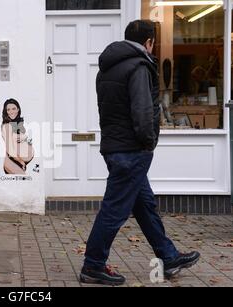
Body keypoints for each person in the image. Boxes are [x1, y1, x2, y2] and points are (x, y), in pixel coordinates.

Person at [80, 20, 200, 286]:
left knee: (144, 205)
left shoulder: (108, 68)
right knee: (114, 210)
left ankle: (168, 257)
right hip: (132, 150)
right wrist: (149, 143)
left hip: (115, 147)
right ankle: (93, 265)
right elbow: (143, 111)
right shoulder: (139, 66)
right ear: (149, 42)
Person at [1, 99, 34, 175]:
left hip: (21, 161)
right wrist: (21, 161)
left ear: (18, 109)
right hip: (13, 161)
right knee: (24, 181)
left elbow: (27, 140)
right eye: (8, 109)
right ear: (6, 112)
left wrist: (26, 138)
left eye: (13, 108)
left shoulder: (17, 123)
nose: (11, 111)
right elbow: (10, 150)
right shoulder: (7, 126)